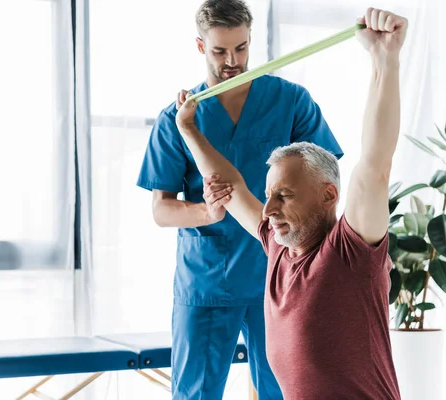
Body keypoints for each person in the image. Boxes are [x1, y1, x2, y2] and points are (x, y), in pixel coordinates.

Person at [174, 7, 406, 399]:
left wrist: (386, 60)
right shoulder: (278, 248)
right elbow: (230, 185)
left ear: (328, 194)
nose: (268, 210)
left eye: (284, 196)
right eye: (268, 197)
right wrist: (188, 129)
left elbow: (375, 164)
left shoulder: (351, 253)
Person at [136, 0, 342, 398]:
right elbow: (161, 210)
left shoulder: (292, 102)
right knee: (196, 393)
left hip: (280, 275)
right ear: (200, 46)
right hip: (208, 280)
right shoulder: (176, 119)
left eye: (241, 48)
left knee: (287, 389)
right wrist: (204, 211)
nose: (233, 60)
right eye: (219, 51)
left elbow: (326, 183)